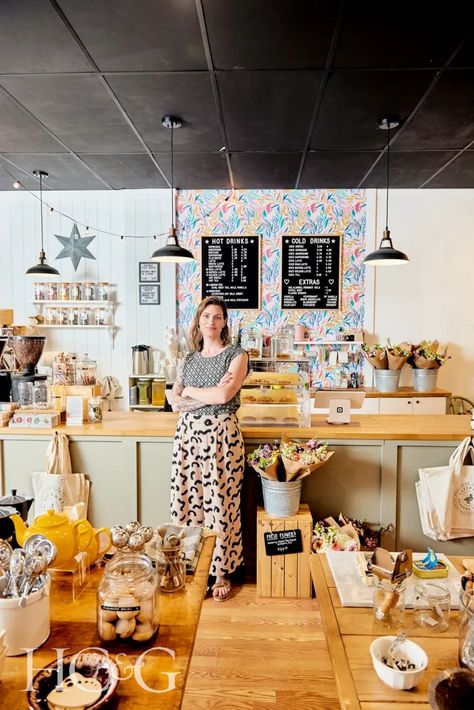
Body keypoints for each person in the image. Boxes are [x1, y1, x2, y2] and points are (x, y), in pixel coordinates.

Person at [170, 296, 249, 600]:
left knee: (221, 504)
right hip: (187, 437)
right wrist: (204, 394)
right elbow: (175, 402)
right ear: (199, 322)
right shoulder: (189, 360)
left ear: (225, 321)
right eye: (206, 317)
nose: (211, 322)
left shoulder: (236, 356)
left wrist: (190, 391)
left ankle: (220, 572)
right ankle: (192, 569)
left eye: (217, 317)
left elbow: (225, 395)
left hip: (220, 437)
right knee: (188, 501)